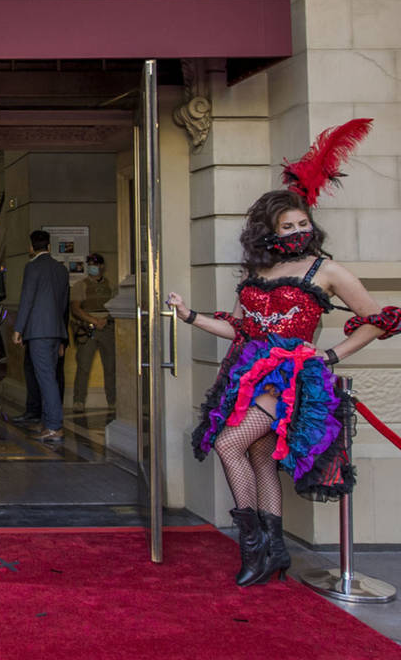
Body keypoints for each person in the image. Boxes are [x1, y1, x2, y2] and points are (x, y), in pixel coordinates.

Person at [167, 119, 399, 587]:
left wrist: (330, 356)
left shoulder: (327, 269)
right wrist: (187, 315)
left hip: (291, 378)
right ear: (269, 232)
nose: (296, 230)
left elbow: (378, 319)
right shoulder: (262, 269)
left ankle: (251, 545)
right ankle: (273, 552)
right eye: (286, 225)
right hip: (248, 372)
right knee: (257, 454)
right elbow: (237, 328)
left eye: (301, 223)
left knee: (229, 443)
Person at [12, 230, 70, 443]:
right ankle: (47, 422)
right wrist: (63, 336)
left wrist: (18, 329)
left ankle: (54, 427)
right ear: (49, 246)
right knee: (50, 377)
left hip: (38, 332)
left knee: (45, 379)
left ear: (31, 246)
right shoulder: (61, 270)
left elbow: (27, 299)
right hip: (56, 331)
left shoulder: (33, 267)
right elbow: (63, 304)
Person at [71, 252, 116, 416]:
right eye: (89, 263)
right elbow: (76, 308)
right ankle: (79, 400)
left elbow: (115, 305)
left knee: (111, 366)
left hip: (107, 326)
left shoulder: (110, 285)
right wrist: (93, 320)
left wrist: (104, 320)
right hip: (88, 328)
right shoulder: (80, 285)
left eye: (95, 264)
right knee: (83, 365)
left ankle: (113, 400)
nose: (92, 267)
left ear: (101, 266)